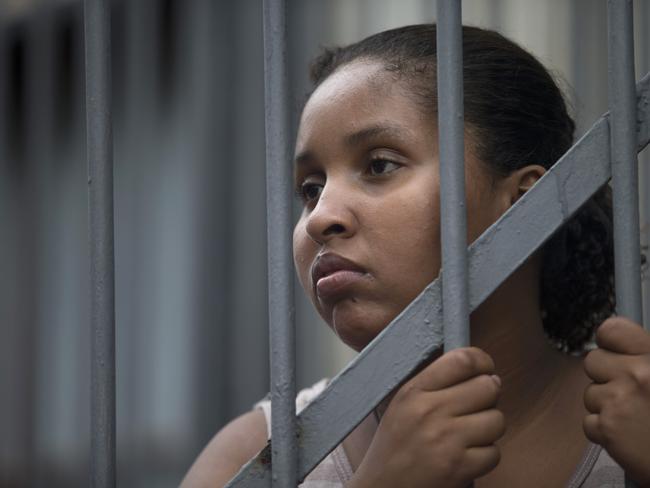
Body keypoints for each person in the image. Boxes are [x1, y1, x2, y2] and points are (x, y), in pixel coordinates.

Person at [181, 24, 650, 487]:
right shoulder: (252, 459)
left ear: (526, 202)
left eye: (379, 165)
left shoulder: (637, 423)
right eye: (311, 188)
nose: (320, 218)